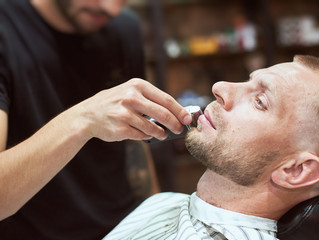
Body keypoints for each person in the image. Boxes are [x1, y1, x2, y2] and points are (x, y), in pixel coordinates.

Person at [103, 55, 319, 240]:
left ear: (296, 170)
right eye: (248, 81)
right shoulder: (165, 203)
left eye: (259, 101)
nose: (220, 88)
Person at [0, 0, 192, 239]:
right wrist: (83, 120)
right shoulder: (6, 29)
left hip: (125, 227)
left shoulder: (124, 28)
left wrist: (155, 220)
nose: (112, 9)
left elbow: (136, 144)